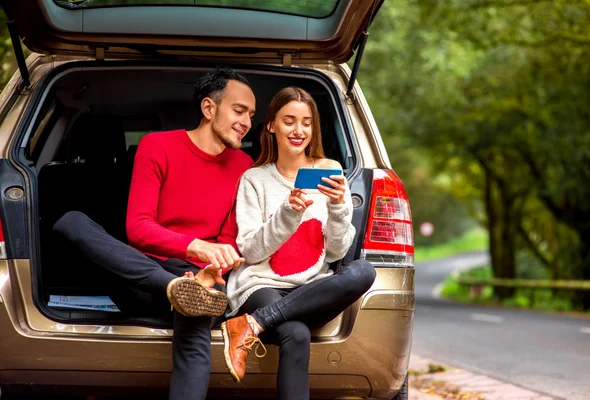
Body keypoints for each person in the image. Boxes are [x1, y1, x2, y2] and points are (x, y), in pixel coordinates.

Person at [53, 66, 255, 400]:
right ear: (208, 108)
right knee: (72, 221)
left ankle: (186, 291)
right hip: (140, 274)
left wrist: (213, 267)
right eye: (239, 110)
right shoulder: (156, 146)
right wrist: (196, 249)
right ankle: (177, 289)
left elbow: (229, 236)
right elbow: (138, 229)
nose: (247, 121)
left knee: (195, 317)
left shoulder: (244, 166)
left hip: (200, 279)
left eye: (251, 114)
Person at [221, 87, 376, 399]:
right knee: (296, 333)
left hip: (310, 287)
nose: (299, 130)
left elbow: (335, 251)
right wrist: (289, 211)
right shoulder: (255, 179)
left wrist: (338, 207)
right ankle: (253, 320)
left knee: (364, 271)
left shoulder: (330, 171)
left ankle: (251, 325)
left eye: (306, 122)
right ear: (271, 125)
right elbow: (251, 251)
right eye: (289, 121)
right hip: (261, 285)